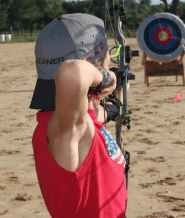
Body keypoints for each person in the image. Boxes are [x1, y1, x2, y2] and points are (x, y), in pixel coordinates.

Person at [30, 13, 127, 217]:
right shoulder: (67, 131)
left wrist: (111, 110)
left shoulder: (74, 123)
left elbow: (92, 118)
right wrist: (108, 77)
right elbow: (73, 72)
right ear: (97, 66)